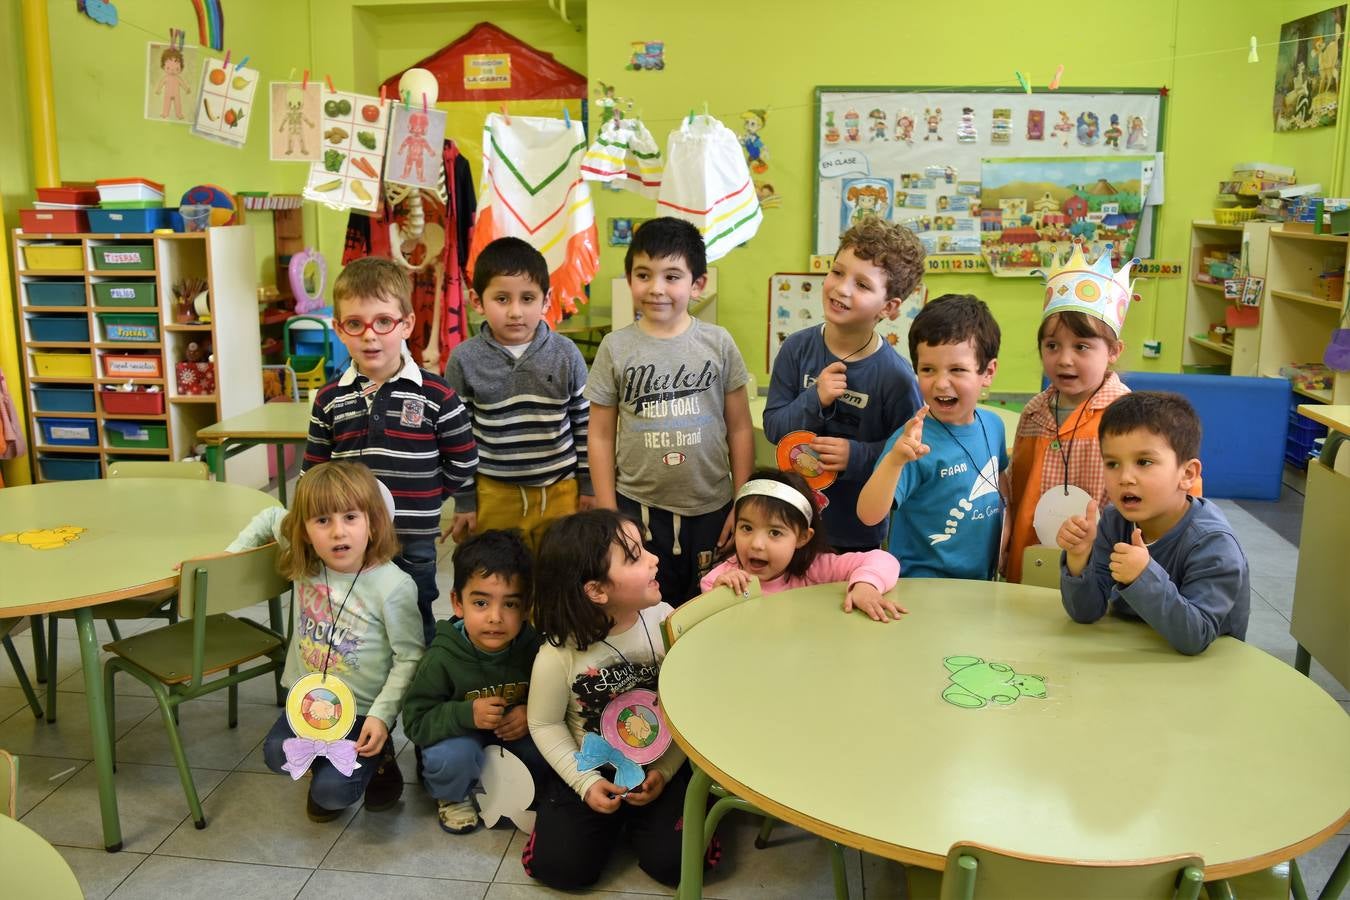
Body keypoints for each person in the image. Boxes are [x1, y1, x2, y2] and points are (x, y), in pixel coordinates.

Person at [226, 461, 424, 822]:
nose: (337, 532)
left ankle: (377, 760)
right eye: (322, 521)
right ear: (303, 530)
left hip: (361, 712)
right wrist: (230, 556)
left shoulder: (393, 587)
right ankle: (327, 761)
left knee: (330, 795)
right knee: (275, 755)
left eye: (350, 517)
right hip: (309, 705)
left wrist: (380, 718)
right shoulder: (309, 562)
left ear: (373, 522)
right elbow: (270, 514)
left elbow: (409, 658)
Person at [303, 256, 477, 645]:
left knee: (414, 613)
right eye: (355, 324)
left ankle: (417, 696)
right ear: (339, 330)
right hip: (349, 539)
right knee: (354, 619)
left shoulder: (436, 395)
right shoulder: (329, 398)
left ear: (407, 324)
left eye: (383, 322)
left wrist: (430, 495)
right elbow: (313, 474)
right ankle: (365, 693)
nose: (370, 336)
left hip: (411, 536)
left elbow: (464, 458)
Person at [586, 217, 754, 606]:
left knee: (709, 606)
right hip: (638, 509)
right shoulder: (615, 347)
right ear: (630, 280)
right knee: (644, 607)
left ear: (697, 284)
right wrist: (610, 513)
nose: (656, 288)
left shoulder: (719, 343)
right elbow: (599, 435)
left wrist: (742, 503)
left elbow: (740, 428)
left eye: (672, 276)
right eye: (644, 274)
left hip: (712, 508)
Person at [523, 510, 694, 890]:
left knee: (679, 866)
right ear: (597, 591)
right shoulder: (557, 654)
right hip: (591, 767)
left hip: (658, 763)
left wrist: (665, 770)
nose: (654, 559)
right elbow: (544, 723)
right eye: (635, 556)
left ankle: (643, 825)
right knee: (561, 871)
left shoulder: (666, 620)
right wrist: (583, 782)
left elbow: (688, 704)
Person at [764, 217, 924, 552]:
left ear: (890, 307)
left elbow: (908, 457)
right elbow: (774, 428)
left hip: (854, 535)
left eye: (863, 285)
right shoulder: (796, 349)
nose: (841, 288)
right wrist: (815, 398)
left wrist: (858, 455)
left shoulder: (897, 378)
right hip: (791, 524)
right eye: (837, 272)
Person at [1057, 392, 1250, 655]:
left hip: (1202, 676)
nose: (1125, 477)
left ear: (1187, 474)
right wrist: (1079, 559)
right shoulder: (1115, 523)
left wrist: (1142, 575)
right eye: (1112, 463)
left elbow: (1196, 636)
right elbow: (1085, 612)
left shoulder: (1212, 543)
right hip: (1135, 659)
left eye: (1144, 462)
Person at [445, 237, 592, 549]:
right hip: (494, 496)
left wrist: (589, 487)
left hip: (561, 494)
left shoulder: (566, 354)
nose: (515, 311)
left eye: (527, 298)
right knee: (501, 582)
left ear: (546, 300)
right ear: (476, 300)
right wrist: (465, 501)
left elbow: (585, 426)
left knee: (558, 580)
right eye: (501, 299)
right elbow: (458, 438)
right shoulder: (463, 359)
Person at [403, 529, 548, 834]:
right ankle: (451, 795)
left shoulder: (535, 649)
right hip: (459, 739)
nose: (495, 617)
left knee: (545, 748)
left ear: (526, 608)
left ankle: (508, 789)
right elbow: (415, 723)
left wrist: (529, 713)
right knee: (452, 756)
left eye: (510, 604)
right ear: (458, 602)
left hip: (509, 739)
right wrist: (466, 714)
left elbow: (553, 699)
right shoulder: (441, 657)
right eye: (481, 603)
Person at [857, 294, 1007, 580]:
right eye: (928, 369)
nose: (940, 382)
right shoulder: (912, 442)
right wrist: (895, 461)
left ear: (987, 372)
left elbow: (1001, 483)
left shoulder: (994, 425)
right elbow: (869, 515)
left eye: (957, 370)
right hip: (921, 586)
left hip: (981, 585)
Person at [1006, 245, 1132, 583]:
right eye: (1052, 345)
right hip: (1030, 558)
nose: (1064, 359)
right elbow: (1017, 492)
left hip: (1098, 562)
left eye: (1081, 346)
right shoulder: (1033, 413)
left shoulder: (1127, 416)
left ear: (1114, 352)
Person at [700, 468, 904, 622]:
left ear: (802, 538)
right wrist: (721, 597)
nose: (757, 544)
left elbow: (884, 560)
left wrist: (866, 586)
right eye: (746, 528)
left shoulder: (814, 568)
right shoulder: (720, 581)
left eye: (774, 532)